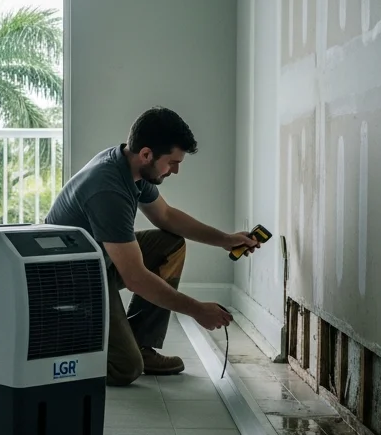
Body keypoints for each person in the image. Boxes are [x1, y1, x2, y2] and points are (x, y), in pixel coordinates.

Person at [43, 107, 260, 387]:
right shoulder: (108, 189)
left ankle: (141, 344)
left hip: (98, 261)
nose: (176, 170)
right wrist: (196, 310)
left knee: (169, 244)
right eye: (172, 162)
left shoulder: (130, 166)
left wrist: (226, 240)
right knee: (125, 368)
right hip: (73, 279)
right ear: (146, 154)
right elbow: (135, 278)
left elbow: (166, 216)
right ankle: (63, 345)